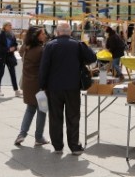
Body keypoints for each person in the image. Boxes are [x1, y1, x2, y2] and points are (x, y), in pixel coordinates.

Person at [39, 23, 96, 155]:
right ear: (70, 32)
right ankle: (74, 146)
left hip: (54, 88)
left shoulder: (50, 45)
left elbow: (44, 68)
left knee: (55, 117)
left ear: (57, 32)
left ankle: (58, 146)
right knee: (73, 117)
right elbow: (92, 58)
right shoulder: (77, 44)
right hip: (73, 87)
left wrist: (42, 85)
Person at [14, 26, 50, 146]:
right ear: (37, 36)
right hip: (40, 86)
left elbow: (20, 52)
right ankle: (38, 137)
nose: (45, 35)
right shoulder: (41, 50)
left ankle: (22, 134)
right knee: (42, 110)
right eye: (43, 34)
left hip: (27, 84)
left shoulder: (25, 47)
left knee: (30, 109)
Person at [0, 21, 21, 98]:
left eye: (11, 25)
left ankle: (16, 91)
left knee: (13, 73)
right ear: (5, 26)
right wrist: (8, 49)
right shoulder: (1, 35)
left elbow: (15, 44)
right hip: (2, 56)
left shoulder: (12, 35)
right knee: (1, 73)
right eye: (9, 25)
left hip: (10, 56)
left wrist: (14, 48)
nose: (10, 27)